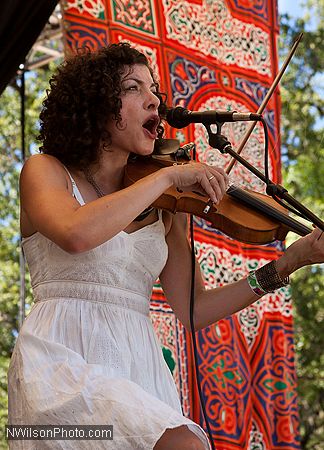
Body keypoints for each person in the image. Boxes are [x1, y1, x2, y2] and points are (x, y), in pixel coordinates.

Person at [7, 43, 324, 450]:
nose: (154, 99)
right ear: (97, 104)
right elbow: (75, 233)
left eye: (154, 89)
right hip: (57, 366)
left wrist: (288, 263)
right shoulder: (46, 170)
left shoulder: (165, 211)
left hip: (139, 368)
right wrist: (163, 180)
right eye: (134, 88)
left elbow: (194, 310)